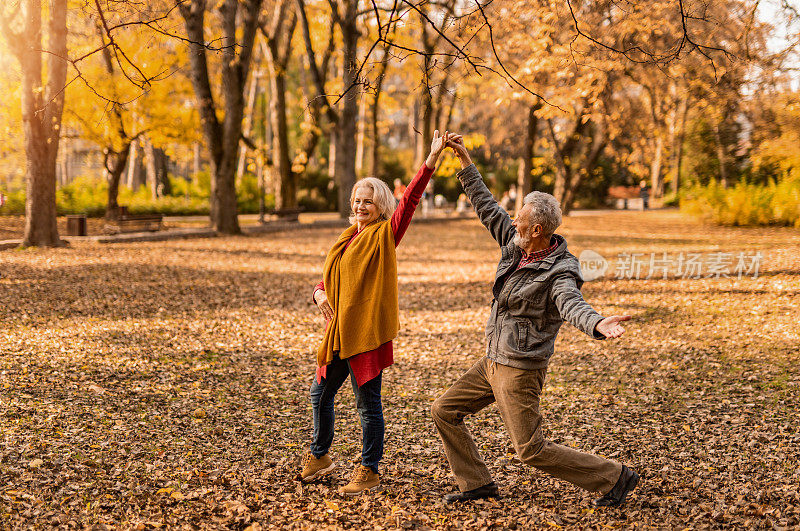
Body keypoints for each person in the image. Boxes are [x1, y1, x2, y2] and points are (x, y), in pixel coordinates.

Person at [431, 135, 639, 507]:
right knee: (444, 411)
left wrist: (596, 322)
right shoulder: (516, 243)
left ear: (538, 230)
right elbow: (488, 208)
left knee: (530, 449)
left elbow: (571, 303)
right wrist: (464, 162)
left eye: (521, 219)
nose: (513, 221)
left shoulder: (559, 272)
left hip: (520, 368)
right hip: (492, 359)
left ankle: (614, 477)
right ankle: (476, 483)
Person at [300, 130, 453, 496]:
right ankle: (320, 456)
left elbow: (411, 200)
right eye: (356, 200)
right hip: (338, 333)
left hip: (364, 332)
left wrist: (430, 162)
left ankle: (369, 470)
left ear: (381, 206)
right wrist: (318, 293)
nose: (359, 206)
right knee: (319, 396)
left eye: (367, 201)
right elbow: (328, 279)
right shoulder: (345, 237)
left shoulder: (385, 233)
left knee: (368, 406)